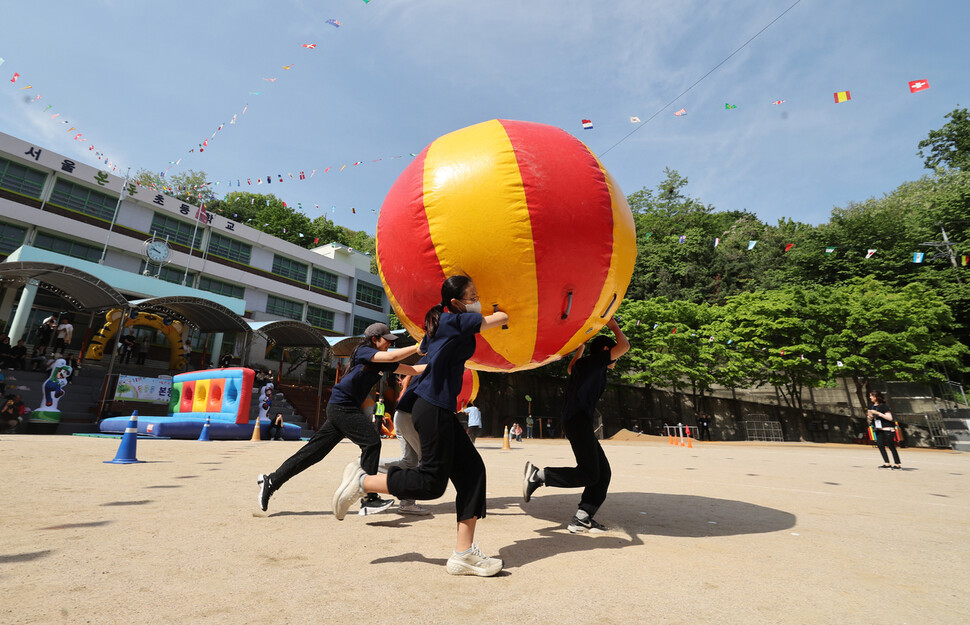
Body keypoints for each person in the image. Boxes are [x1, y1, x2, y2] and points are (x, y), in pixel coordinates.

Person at [334, 275, 509, 576]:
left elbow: (427, 351)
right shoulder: (454, 320)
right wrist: (503, 307)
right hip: (432, 406)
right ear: (456, 302)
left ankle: (463, 554)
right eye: (473, 295)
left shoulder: (442, 322)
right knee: (431, 483)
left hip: (435, 405)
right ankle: (363, 482)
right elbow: (500, 318)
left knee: (472, 472)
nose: (476, 299)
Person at [257, 322, 423, 516]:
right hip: (342, 407)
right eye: (386, 341)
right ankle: (369, 499)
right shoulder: (363, 350)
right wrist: (418, 347)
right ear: (374, 340)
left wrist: (444, 363)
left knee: (313, 453)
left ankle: (271, 481)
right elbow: (393, 356)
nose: (389, 344)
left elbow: (412, 370)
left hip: (344, 409)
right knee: (372, 442)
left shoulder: (383, 359)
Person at [522, 316, 630, 534]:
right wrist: (613, 326)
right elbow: (625, 346)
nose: (616, 359)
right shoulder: (598, 361)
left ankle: (583, 517)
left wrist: (579, 348)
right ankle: (539, 476)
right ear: (606, 351)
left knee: (603, 472)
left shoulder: (584, 365)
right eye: (612, 354)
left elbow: (570, 368)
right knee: (590, 473)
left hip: (576, 421)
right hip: (577, 422)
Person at [378, 369, 431, 516]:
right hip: (409, 417)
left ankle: (366, 464)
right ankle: (408, 503)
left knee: (410, 461)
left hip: (402, 415)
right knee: (424, 460)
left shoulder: (421, 372)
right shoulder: (432, 372)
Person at [867, 391, 901, 470]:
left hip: (887, 428)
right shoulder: (871, 406)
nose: (870, 397)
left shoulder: (883, 406)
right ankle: (887, 463)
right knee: (880, 445)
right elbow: (870, 416)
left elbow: (890, 418)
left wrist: (879, 413)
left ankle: (897, 464)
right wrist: (870, 416)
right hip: (878, 429)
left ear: (876, 397)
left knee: (891, 446)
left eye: (871, 396)